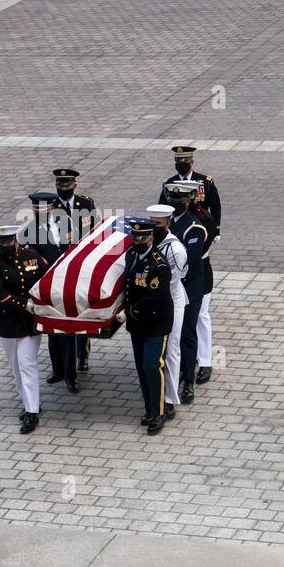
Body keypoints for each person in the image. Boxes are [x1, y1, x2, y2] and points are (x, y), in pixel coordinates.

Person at [0, 225, 47, 433]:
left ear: (15, 240)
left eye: (8, 242)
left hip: (29, 323)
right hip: (8, 323)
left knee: (26, 363)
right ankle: (31, 403)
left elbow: (47, 276)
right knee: (16, 368)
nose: (5, 246)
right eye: (1, 243)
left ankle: (31, 412)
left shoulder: (32, 256)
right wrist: (24, 303)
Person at [118, 220, 173, 436]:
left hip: (156, 321)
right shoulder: (131, 255)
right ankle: (149, 410)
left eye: (141, 238)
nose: (137, 241)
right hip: (137, 323)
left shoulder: (158, 264)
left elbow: (155, 297)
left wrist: (130, 312)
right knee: (142, 367)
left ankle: (158, 413)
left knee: (152, 365)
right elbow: (128, 285)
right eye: (135, 238)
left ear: (151, 238)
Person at [24, 191, 78, 395]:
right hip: (45, 284)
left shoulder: (65, 224)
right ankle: (59, 370)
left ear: (52, 208)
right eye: (37, 211)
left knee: (68, 330)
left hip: (66, 284)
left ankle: (71, 376)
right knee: (51, 330)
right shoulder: (29, 231)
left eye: (44, 210)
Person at [165, 182, 210, 400]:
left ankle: (188, 380)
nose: (175, 205)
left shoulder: (195, 227)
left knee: (187, 329)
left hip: (189, 283)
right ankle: (177, 369)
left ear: (188, 201)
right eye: (172, 202)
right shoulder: (166, 223)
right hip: (171, 283)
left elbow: (188, 264)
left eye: (179, 202)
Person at [51, 168, 98, 374]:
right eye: (60, 187)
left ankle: (83, 355)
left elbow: (95, 232)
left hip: (82, 264)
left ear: (75, 186)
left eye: (68, 186)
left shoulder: (85, 204)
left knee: (81, 307)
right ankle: (63, 359)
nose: (64, 190)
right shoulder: (49, 207)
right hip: (60, 264)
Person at [147, 204, 187, 421]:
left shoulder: (176, 249)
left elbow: (170, 280)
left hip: (172, 299)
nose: (153, 228)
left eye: (158, 225)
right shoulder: (147, 241)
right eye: (151, 223)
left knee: (171, 348)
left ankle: (170, 398)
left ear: (168, 224)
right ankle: (157, 390)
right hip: (153, 299)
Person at [158, 146, 221, 237]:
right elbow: (162, 207)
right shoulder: (169, 183)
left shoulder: (205, 181)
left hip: (200, 226)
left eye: (184, 162)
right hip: (176, 228)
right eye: (178, 162)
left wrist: (216, 230)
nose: (181, 165)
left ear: (191, 162)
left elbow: (215, 207)